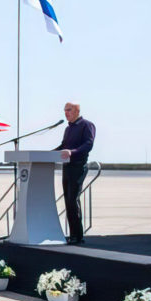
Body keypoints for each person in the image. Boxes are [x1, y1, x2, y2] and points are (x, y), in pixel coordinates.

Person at [54, 102, 96, 245]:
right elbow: (63, 146)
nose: (66, 113)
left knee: (73, 200)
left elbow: (88, 144)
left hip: (78, 167)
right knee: (67, 201)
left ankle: (78, 236)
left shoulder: (87, 125)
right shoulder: (68, 129)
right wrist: (48, 154)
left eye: (69, 110)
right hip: (67, 167)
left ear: (77, 110)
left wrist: (72, 152)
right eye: (65, 110)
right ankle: (72, 234)